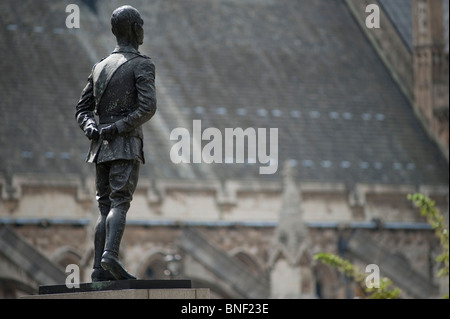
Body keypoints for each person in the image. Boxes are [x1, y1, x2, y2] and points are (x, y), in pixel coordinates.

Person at [75, 5, 157, 281]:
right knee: (119, 202)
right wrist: (119, 128)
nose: (143, 30)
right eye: (141, 25)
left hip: (100, 148)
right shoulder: (141, 64)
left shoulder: (100, 66)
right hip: (124, 144)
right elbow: (147, 107)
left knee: (104, 205)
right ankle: (110, 254)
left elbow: (82, 109)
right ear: (135, 28)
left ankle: (98, 268)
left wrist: (91, 127)